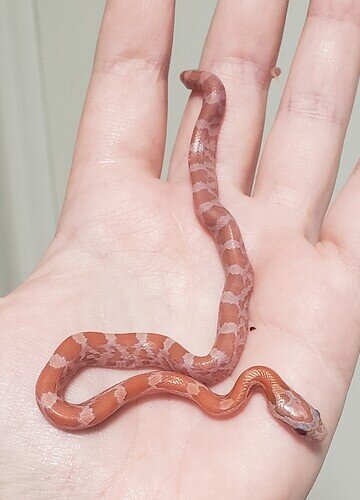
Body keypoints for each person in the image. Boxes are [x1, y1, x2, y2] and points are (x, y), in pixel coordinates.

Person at [1, 1, 359, 497]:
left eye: (303, 421)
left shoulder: (236, 387)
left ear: (283, 402)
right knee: (218, 256)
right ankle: (212, 101)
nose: (308, 429)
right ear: (282, 402)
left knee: (221, 233)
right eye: (305, 422)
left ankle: (213, 106)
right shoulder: (226, 393)